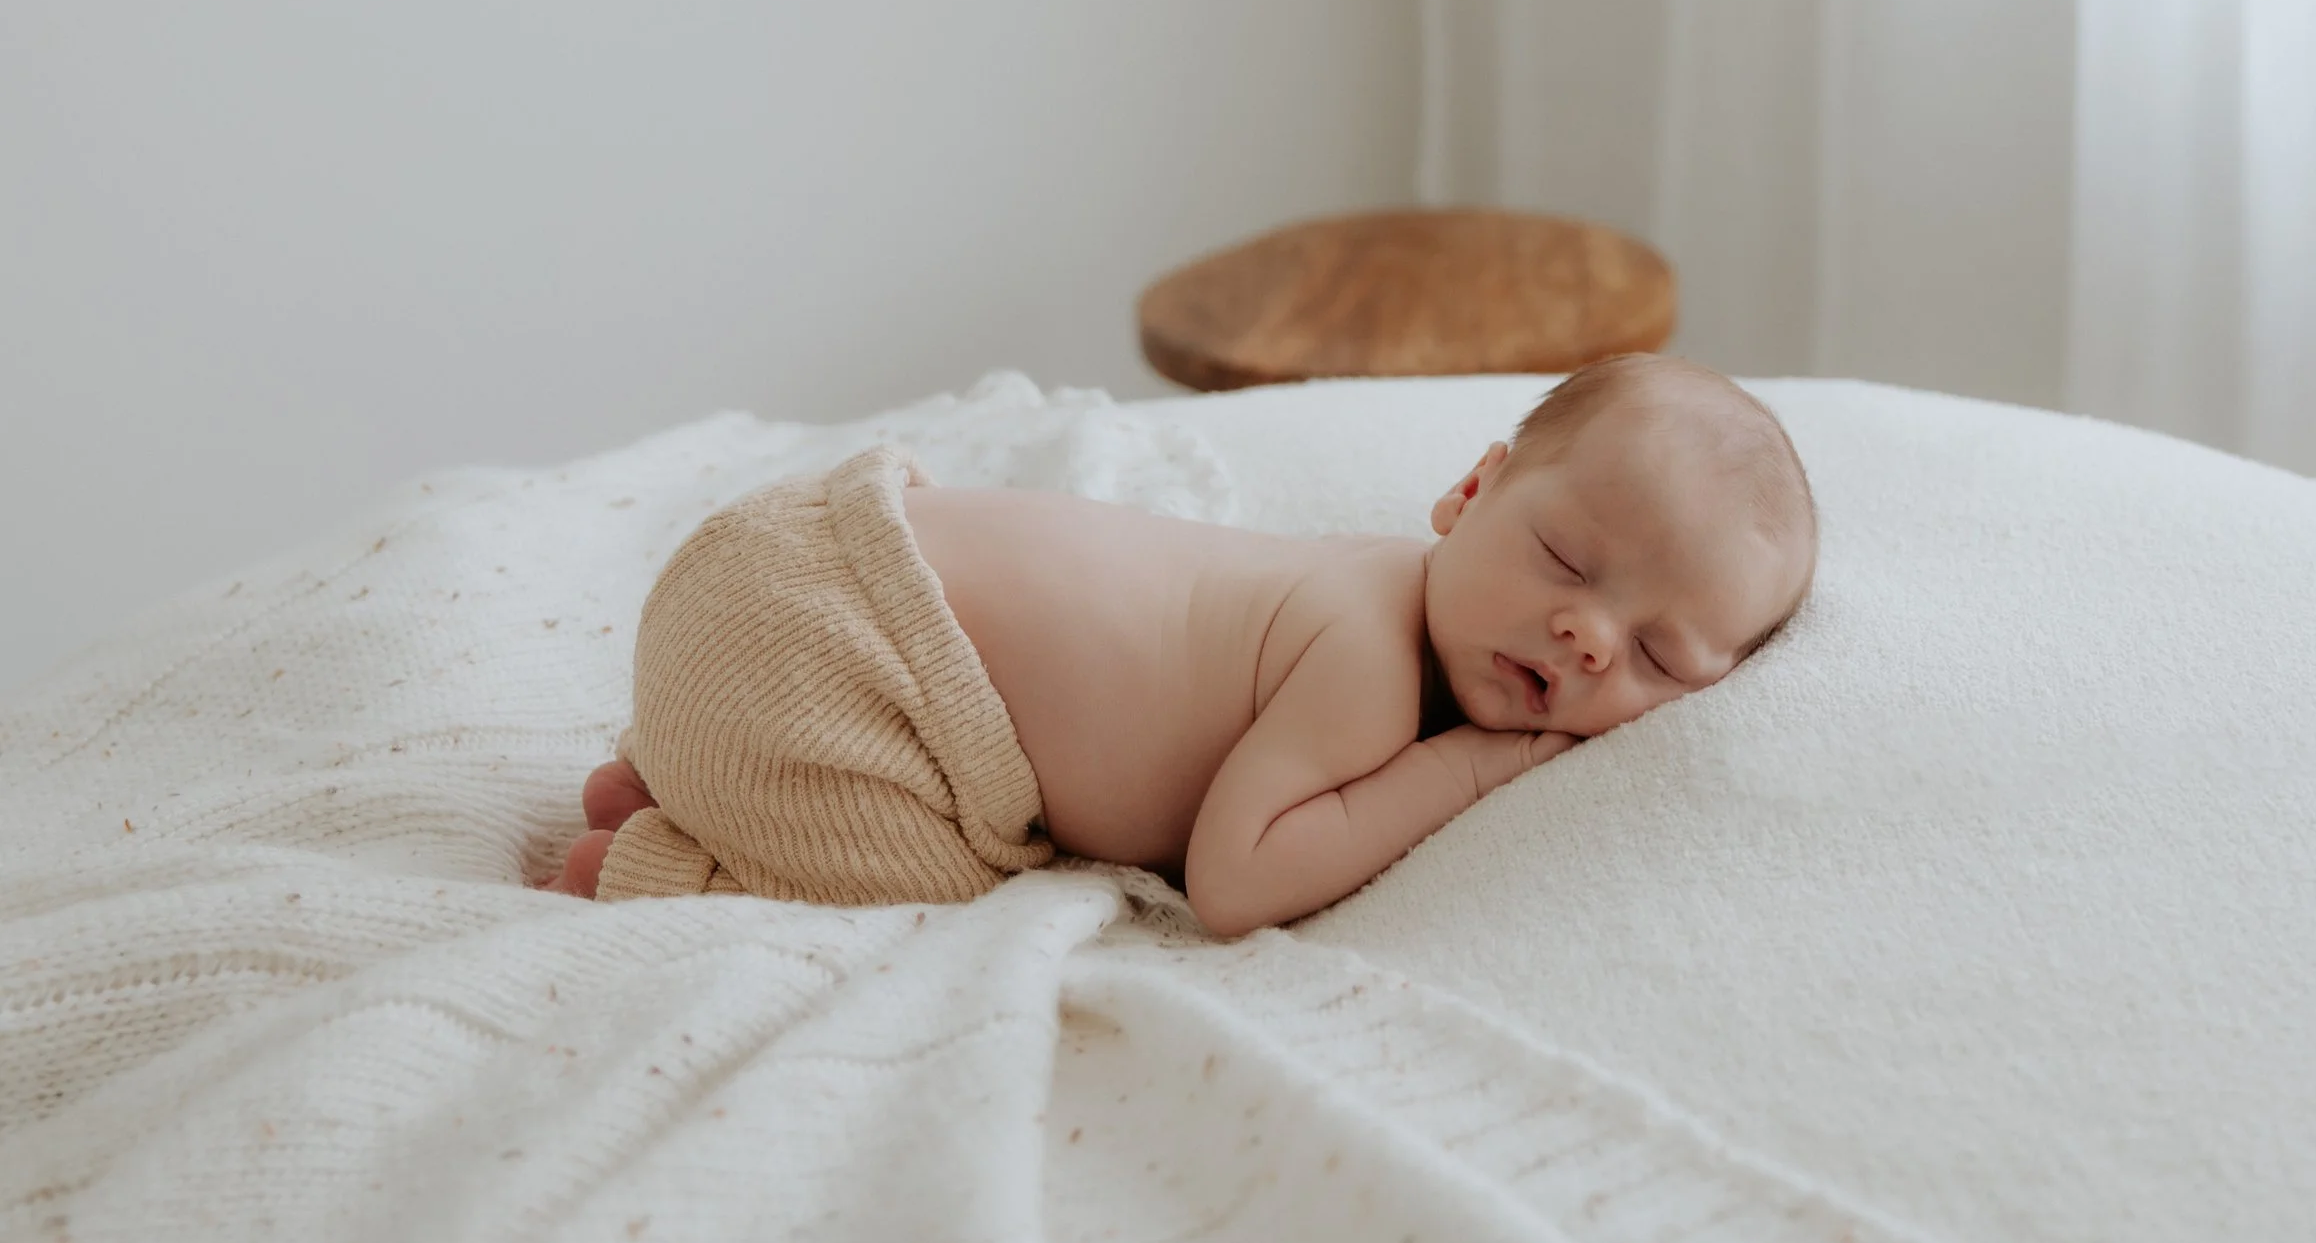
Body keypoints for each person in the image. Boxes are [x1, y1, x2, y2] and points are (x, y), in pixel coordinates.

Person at [542, 353, 1817, 936]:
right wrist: (1476, 767)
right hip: (840, 637)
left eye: (1658, 658)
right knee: (935, 901)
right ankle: (664, 862)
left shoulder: (1368, 588)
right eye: (1566, 562)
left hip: (792, 586)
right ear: (1468, 493)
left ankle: (690, 765)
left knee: (862, 786)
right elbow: (1236, 880)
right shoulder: (1365, 656)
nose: (1588, 638)